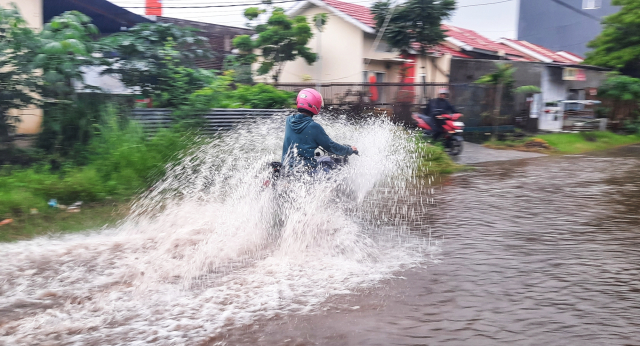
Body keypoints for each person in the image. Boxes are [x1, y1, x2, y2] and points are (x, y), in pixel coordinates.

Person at [282, 88, 357, 172]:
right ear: (315, 105)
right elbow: (331, 146)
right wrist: (349, 150)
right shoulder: (314, 127)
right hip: (306, 171)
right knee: (333, 170)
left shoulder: (289, 121)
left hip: (287, 168)